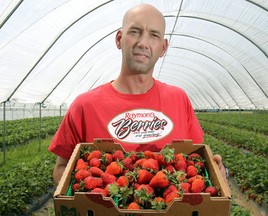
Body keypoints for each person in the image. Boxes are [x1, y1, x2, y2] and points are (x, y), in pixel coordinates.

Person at [48, 3, 229, 189]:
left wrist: (218, 173)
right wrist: (92, 193)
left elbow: (196, 162)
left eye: (154, 35)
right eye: (134, 31)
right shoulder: (84, 106)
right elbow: (61, 168)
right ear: (119, 39)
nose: (143, 43)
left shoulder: (179, 99)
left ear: (163, 47)